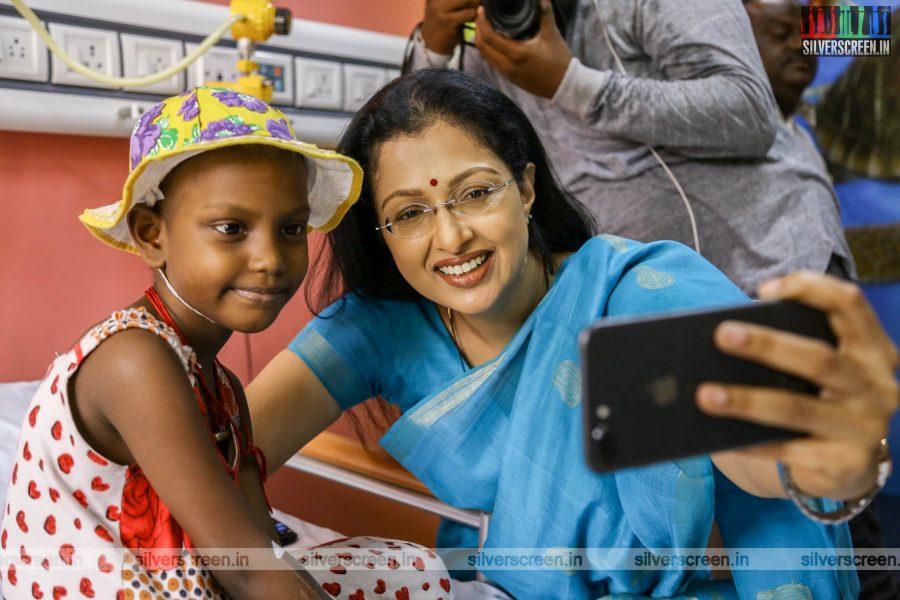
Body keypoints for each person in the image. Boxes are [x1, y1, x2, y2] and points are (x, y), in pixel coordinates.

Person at [247, 69, 899, 599]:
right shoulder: (383, 324)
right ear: (382, 234)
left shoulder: (644, 294)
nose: (450, 239)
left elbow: (753, 455)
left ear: (526, 188)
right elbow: (226, 453)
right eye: (410, 213)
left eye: (475, 194)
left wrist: (825, 462)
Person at [0, 87, 452, 599]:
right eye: (231, 228)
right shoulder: (133, 360)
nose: (270, 258)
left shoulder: (220, 385)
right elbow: (245, 570)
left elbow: (258, 546)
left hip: (191, 580)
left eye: (291, 228)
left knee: (411, 571)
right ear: (152, 235)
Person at [406, 0, 856, 294]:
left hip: (770, 270)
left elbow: (748, 112)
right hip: (644, 299)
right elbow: (420, 161)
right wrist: (433, 48)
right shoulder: (479, 34)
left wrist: (571, 84)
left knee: (817, 439)